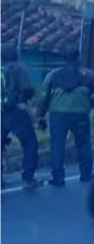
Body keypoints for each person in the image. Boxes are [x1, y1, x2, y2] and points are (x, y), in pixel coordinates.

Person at [35, 49, 94, 185]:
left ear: (63, 59)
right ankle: (86, 174)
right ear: (78, 58)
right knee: (83, 144)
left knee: (57, 146)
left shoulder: (53, 75)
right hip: (80, 114)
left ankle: (57, 177)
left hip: (57, 115)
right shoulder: (89, 75)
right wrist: (91, 102)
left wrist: (40, 115)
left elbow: (42, 97)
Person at [2, 45, 42, 189]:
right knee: (30, 143)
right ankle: (28, 178)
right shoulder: (19, 68)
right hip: (17, 111)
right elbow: (27, 90)